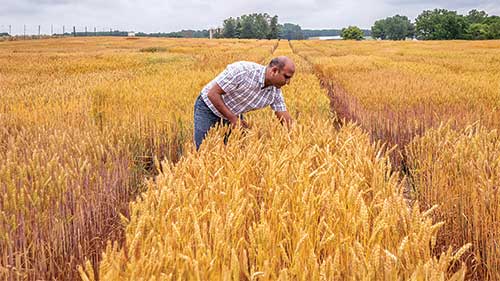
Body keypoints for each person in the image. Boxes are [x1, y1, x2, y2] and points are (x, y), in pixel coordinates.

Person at [193, 56, 295, 150]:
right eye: (286, 77)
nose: (288, 82)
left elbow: (284, 117)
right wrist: (233, 119)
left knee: (231, 151)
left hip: (233, 113)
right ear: (274, 71)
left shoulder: (275, 92)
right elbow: (213, 94)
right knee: (203, 149)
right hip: (208, 108)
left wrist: (298, 137)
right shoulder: (242, 71)